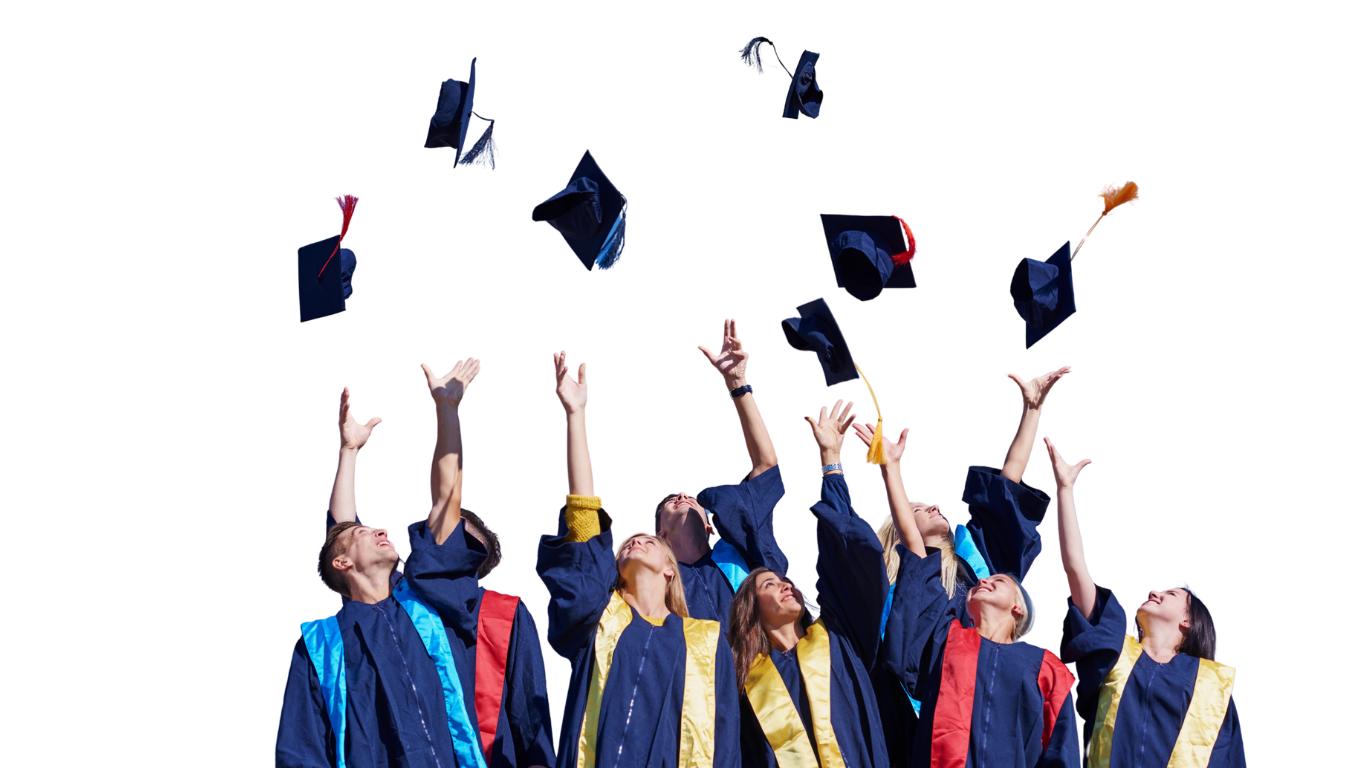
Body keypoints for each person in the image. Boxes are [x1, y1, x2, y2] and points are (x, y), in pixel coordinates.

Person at [275, 363, 554, 768]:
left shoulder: (432, 605)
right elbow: (301, 752)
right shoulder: (321, 643)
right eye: (364, 531)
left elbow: (445, 499)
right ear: (342, 562)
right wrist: (348, 453)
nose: (382, 528)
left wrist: (447, 410)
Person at [536, 349, 741, 768]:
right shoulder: (599, 614)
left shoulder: (706, 640)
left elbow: (724, 743)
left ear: (671, 568)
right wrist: (575, 416)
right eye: (628, 540)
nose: (636, 540)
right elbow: (584, 515)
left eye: (647, 539)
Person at [857, 366, 1070, 767]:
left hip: (989, 710)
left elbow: (1008, 482)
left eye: (929, 502)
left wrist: (1031, 411)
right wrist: (890, 471)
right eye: (917, 507)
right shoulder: (886, 594)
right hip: (917, 728)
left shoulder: (974, 564)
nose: (934, 505)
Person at [1043, 434, 1244, 767]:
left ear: (1188, 621)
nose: (1154, 591)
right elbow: (1076, 569)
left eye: (1170, 593)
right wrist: (1065, 490)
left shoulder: (1214, 685)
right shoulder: (1114, 651)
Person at [727, 398, 890, 768]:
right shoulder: (743, 681)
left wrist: (831, 459)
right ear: (750, 610)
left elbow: (844, 550)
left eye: (786, 581)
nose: (786, 585)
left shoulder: (839, 639)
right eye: (769, 585)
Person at [655, 316, 790, 637]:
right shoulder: (656, 587)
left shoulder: (746, 556)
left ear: (711, 526)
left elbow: (766, 464)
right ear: (660, 535)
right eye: (671, 501)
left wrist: (737, 384)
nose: (683, 494)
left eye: (690, 498)